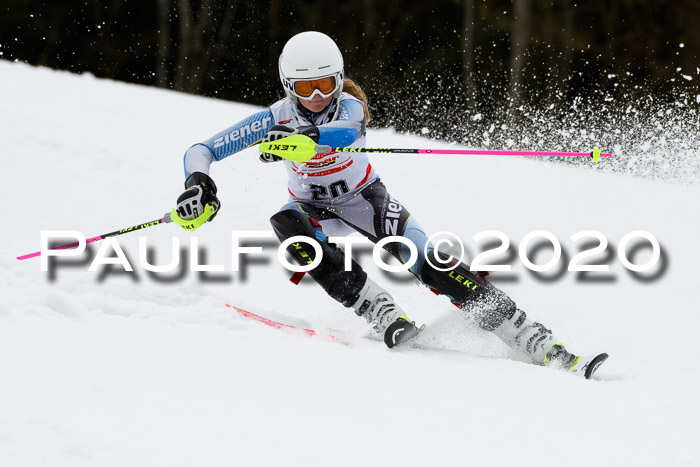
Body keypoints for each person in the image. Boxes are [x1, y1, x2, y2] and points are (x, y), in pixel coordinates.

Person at [175, 31, 604, 376]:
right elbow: (202, 148)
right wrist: (199, 181)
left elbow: (344, 133)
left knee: (429, 261)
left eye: (326, 83)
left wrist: (304, 140)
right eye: (306, 87)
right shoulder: (274, 117)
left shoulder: (349, 104)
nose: (318, 95)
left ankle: (530, 336)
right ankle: (378, 309)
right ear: (289, 86)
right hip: (312, 208)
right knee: (288, 228)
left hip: (365, 199)